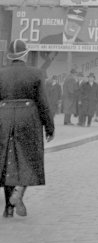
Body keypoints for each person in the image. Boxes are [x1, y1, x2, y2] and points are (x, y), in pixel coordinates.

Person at [0, 39, 54, 218]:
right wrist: (49, 126)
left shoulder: (1, 73)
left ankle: (8, 208)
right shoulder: (36, 73)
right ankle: (19, 191)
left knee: (7, 163)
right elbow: (43, 102)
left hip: (4, 118)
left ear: (9, 56)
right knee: (29, 158)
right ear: (25, 55)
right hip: (28, 117)